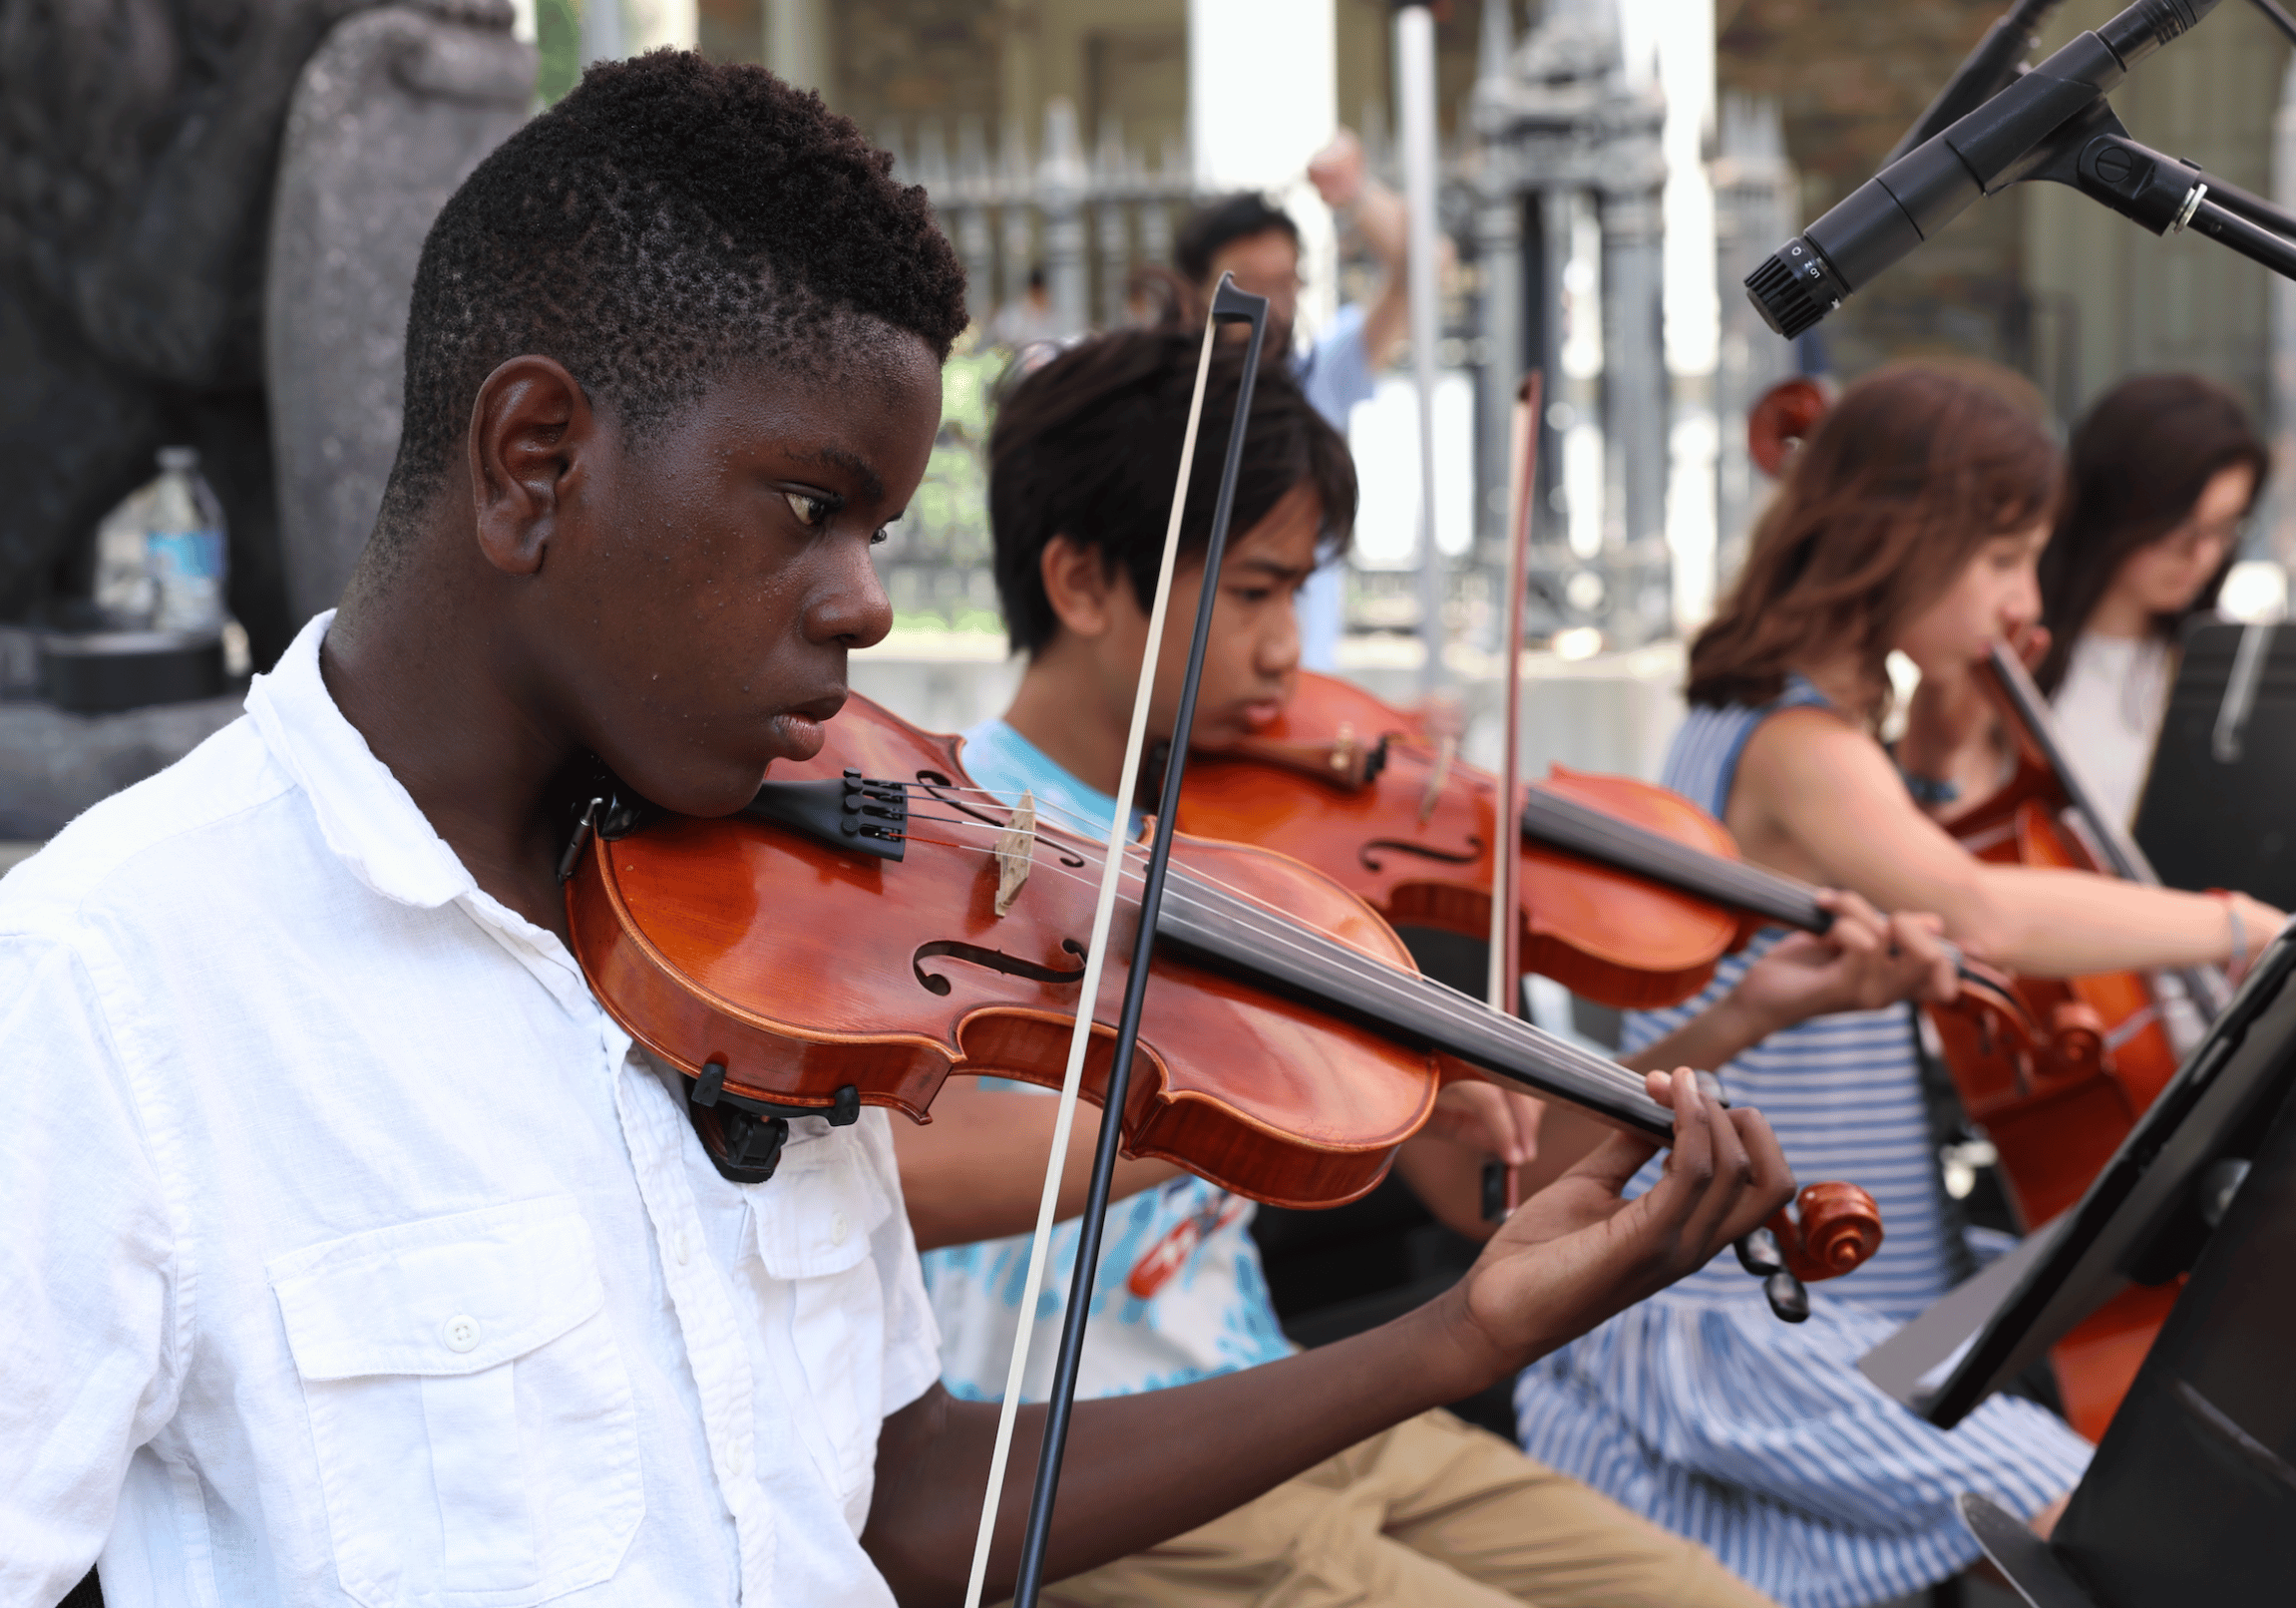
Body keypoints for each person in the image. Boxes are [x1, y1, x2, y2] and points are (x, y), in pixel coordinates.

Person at [1, 53, 1810, 1608]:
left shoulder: (763, 942)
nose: (866, 606)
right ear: (535, 456)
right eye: (810, 507)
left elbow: (903, 1495)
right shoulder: (112, 983)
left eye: (876, 528)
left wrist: (1458, 1337)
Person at [895, 329, 1964, 1608]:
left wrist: (1734, 1019)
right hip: (1092, 1460)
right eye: (1254, 592)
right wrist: (1281, 1098)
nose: (1295, 650)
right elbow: (922, 1177)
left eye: (1301, 593)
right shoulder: (959, 839)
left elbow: (1488, 1200)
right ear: (1078, 582)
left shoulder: (1261, 863)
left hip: (1287, 1402)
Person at [1509, 363, 2285, 1608]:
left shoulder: (1798, 723)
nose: (2027, 600)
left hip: (1850, 1278)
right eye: (2004, 560)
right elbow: (1975, 906)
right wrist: (2240, 924)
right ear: (1900, 538)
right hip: (1747, 1312)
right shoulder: (1792, 741)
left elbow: (1921, 849)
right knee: (2103, 1514)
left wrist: (1942, 734)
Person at [1175, 128, 1414, 669]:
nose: (1273, 309)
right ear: (1194, 290)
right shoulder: (1169, 405)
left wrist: (1357, 191)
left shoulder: (1319, 377)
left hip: (1306, 681)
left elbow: (1421, 266)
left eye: (1286, 284)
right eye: (1250, 287)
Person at [2034, 374, 2267, 826]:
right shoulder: (2022, 656)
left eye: (2223, 529)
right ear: (2114, 508)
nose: (2203, 556)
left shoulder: (2226, 669)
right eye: (2182, 527)